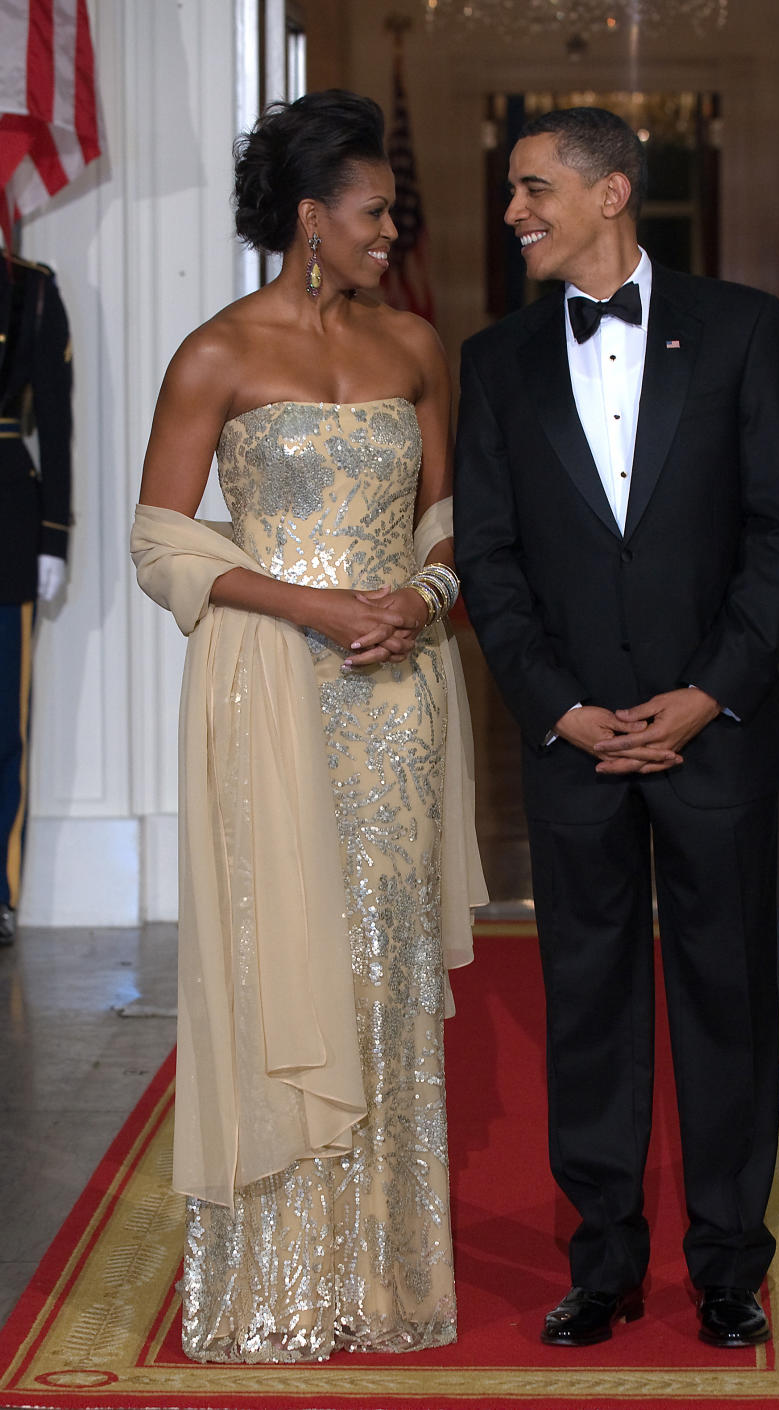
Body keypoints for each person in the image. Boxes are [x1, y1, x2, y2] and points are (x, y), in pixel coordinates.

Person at [130, 90, 485, 1363]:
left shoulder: (414, 347)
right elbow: (159, 539)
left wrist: (420, 596)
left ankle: (385, 1279)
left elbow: (448, 516)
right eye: (377, 209)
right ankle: (275, 1285)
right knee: (279, 946)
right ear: (310, 219)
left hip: (399, 697)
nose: (396, 229)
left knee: (381, 960)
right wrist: (312, 607)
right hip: (268, 686)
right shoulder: (216, 355)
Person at [454, 107, 779, 1350]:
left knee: (729, 1005)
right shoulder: (493, 363)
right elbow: (488, 564)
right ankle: (601, 1262)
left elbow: (776, 533)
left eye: (533, 188)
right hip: (573, 744)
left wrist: (709, 694)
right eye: (512, 193)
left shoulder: (744, 330)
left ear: (612, 195)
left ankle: (728, 1267)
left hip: (713, 735)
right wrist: (559, 708)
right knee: (587, 1004)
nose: (514, 213)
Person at [0, 251, 72, 945]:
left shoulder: (32, 291)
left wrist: (55, 535)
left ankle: (0, 892)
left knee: (2, 726)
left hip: (7, 523)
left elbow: (55, 415)